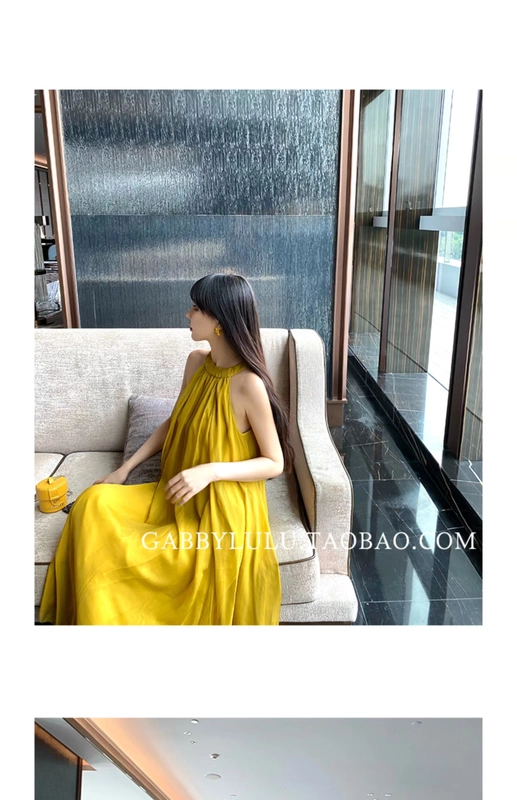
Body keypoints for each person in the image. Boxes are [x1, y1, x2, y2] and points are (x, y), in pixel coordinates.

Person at [38, 272, 293, 625]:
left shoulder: (248, 385)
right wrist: (124, 469)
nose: (188, 314)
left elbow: (274, 462)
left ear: (219, 320)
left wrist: (210, 471)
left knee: (157, 558)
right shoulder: (196, 362)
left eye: (196, 307)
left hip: (221, 506)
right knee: (93, 503)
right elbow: (174, 422)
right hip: (172, 494)